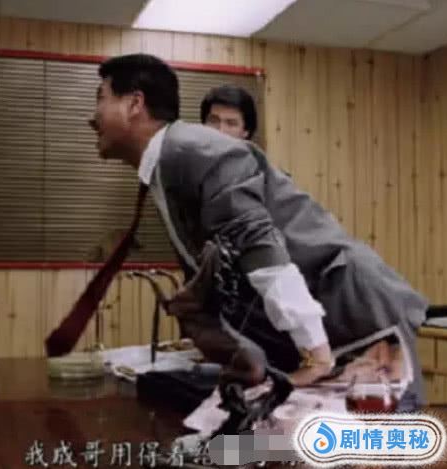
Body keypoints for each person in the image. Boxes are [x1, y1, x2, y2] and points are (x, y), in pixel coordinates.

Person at [87, 53, 427, 410]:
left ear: (134, 104)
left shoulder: (196, 151)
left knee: (383, 436)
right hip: (320, 331)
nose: (92, 118)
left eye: (101, 99)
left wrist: (315, 353)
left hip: (356, 316)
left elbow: (259, 248)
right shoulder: (169, 165)